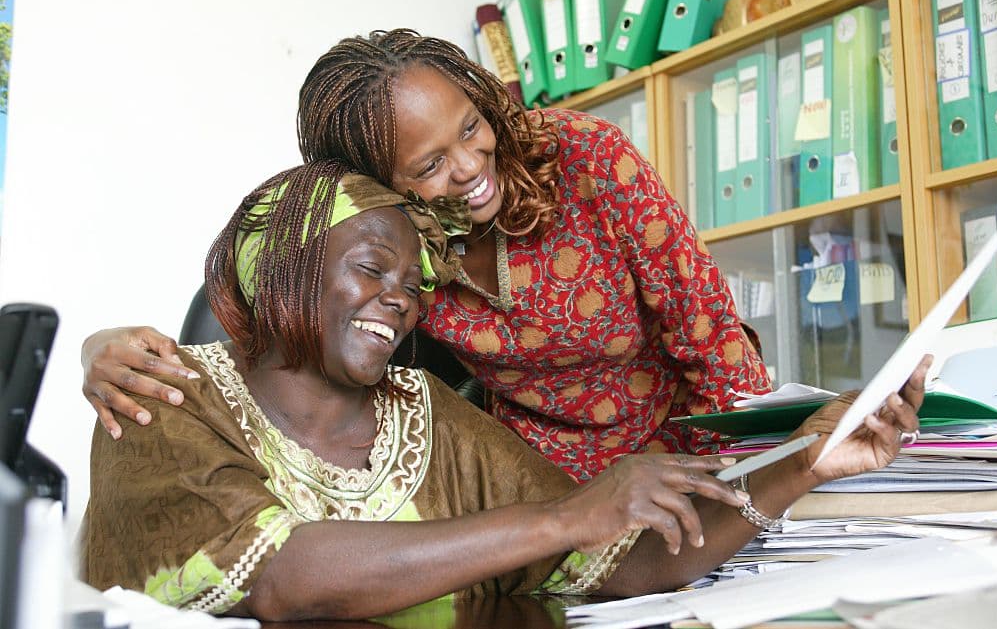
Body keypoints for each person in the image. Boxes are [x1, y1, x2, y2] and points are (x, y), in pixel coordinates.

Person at [80, 160, 929, 621]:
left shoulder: (428, 414)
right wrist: (568, 513)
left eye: (412, 283)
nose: (400, 300)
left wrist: (803, 466)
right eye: (371, 269)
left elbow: (624, 564)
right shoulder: (159, 394)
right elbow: (283, 580)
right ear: (287, 270)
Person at [87, 30, 793, 479]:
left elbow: (709, 336)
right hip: (532, 492)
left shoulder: (587, 160)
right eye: (428, 164)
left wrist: (754, 474)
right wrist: (104, 345)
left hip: (683, 454)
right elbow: (258, 325)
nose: (469, 165)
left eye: (471, 126)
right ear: (375, 180)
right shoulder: (385, 246)